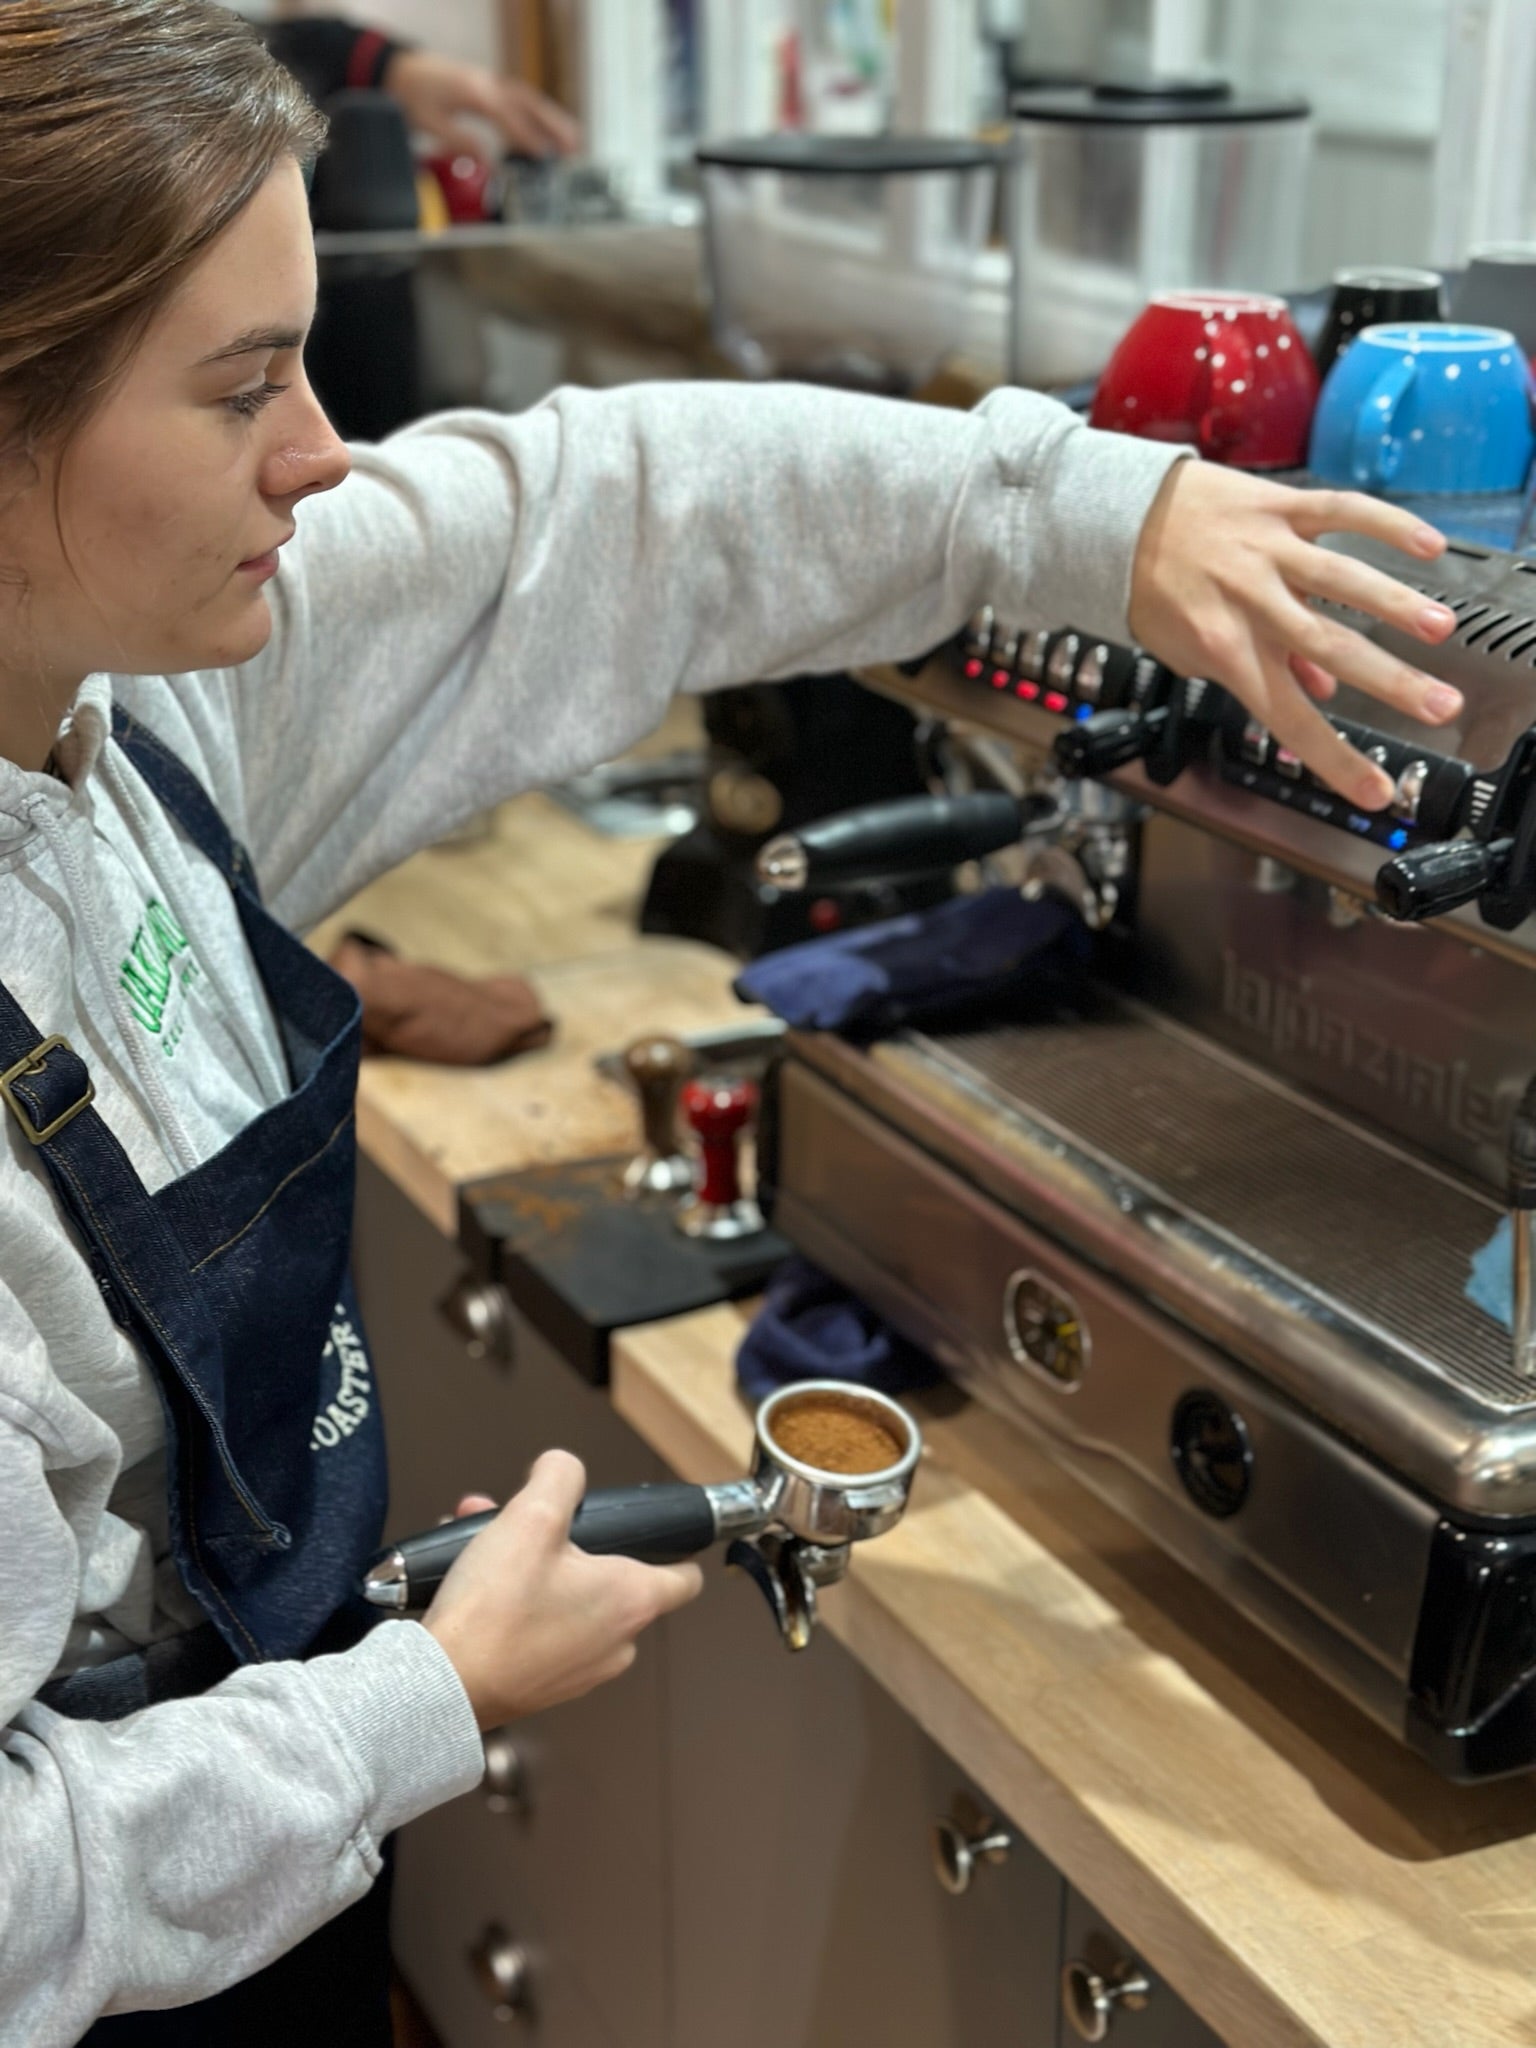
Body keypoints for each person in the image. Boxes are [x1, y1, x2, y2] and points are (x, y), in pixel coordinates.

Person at [0, 1, 1462, 2042]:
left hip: (264, 1877)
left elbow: (612, 508)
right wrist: (416, 1706)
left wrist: (1088, 519)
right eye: (245, 384)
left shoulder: (124, 709)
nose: (323, 451)